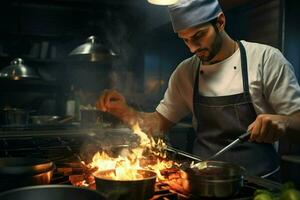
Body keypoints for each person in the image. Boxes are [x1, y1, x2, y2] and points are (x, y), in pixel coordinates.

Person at [96, 0, 300, 179]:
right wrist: (124, 111)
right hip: (203, 181)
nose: (193, 48)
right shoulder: (186, 71)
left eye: (199, 36)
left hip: (258, 181)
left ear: (220, 22)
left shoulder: (266, 60)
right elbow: (158, 124)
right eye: (185, 40)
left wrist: (283, 121)